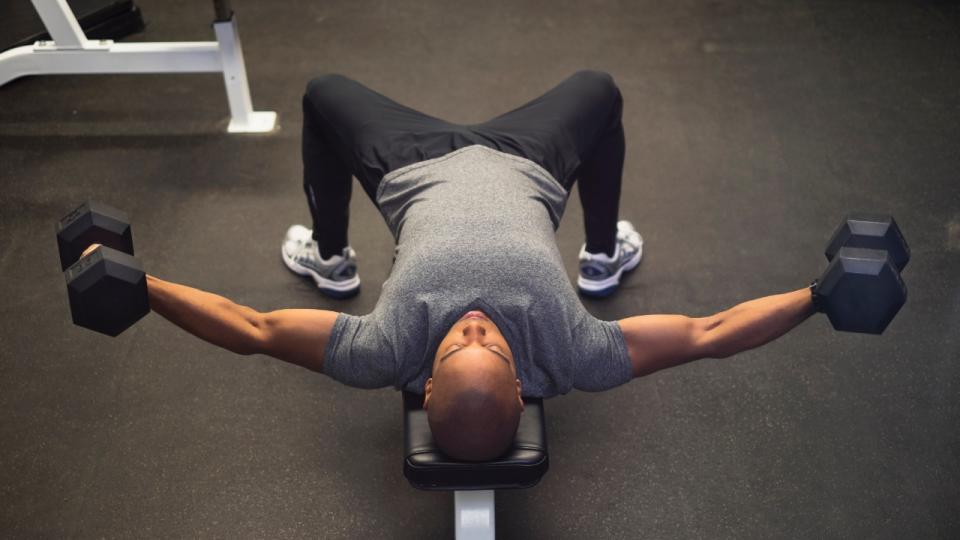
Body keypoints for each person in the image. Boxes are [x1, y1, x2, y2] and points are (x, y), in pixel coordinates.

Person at [133, 71, 815, 462]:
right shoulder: (575, 353)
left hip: (411, 165)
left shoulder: (384, 350)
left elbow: (250, 328)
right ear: (525, 388)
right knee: (601, 92)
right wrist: (818, 296)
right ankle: (602, 257)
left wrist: (143, 287)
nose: (476, 324)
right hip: (530, 162)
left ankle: (332, 258)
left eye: (462, 342)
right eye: (488, 342)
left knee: (321, 94)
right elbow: (710, 333)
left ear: (425, 386)